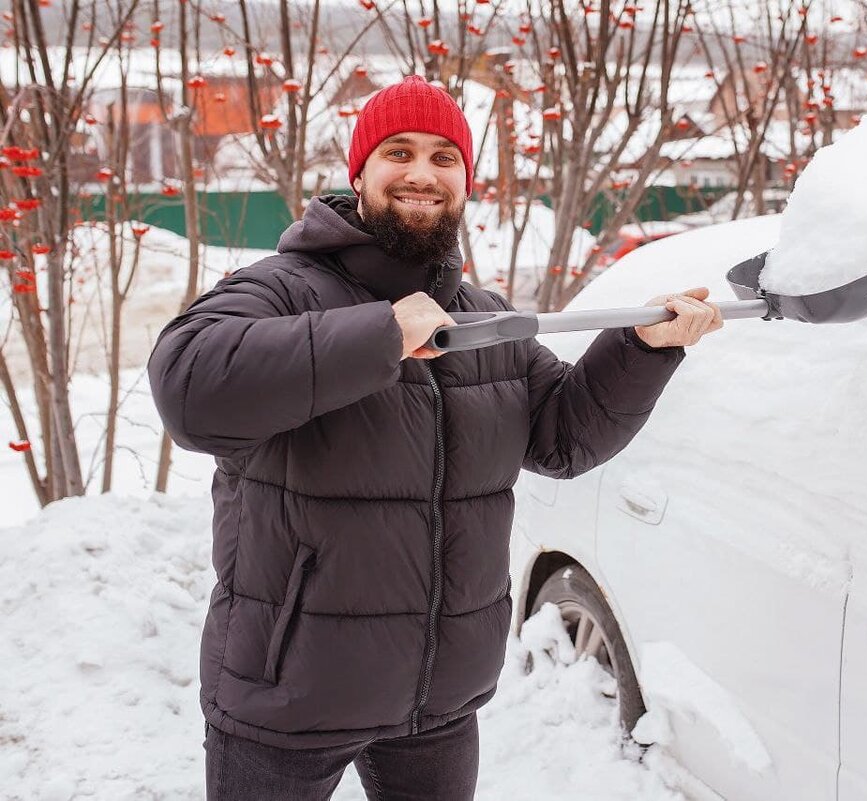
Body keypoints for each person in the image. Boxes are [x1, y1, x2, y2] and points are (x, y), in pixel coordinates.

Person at [147, 74, 722, 800]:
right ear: (360, 172)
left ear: (465, 182)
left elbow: (564, 438)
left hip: (436, 700)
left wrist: (643, 348)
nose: (421, 173)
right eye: (399, 152)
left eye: (444, 158)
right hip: (289, 694)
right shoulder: (281, 289)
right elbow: (188, 388)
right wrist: (381, 335)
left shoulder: (482, 318)